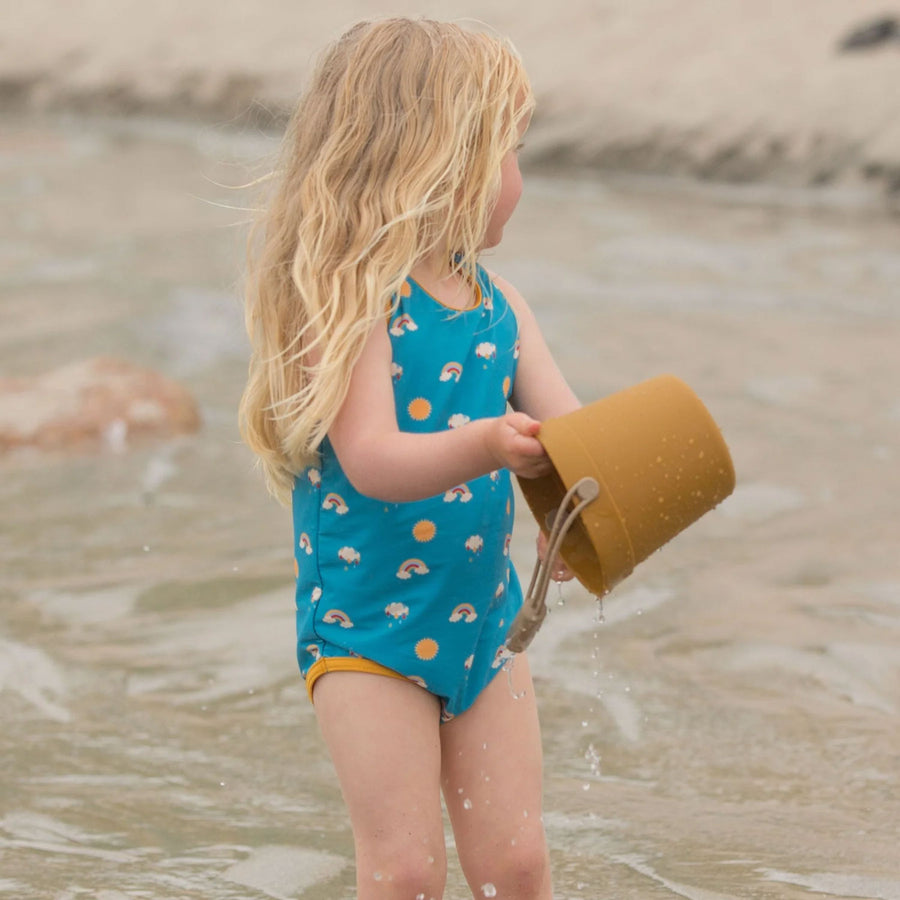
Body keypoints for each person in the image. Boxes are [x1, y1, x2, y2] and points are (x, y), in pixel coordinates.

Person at [239, 17, 579, 900]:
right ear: (441, 160)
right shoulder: (350, 303)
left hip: (485, 626)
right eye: (509, 153)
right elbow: (374, 459)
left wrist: (576, 517)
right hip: (368, 633)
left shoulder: (503, 308)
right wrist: (490, 445)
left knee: (518, 866)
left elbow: (578, 439)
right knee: (403, 874)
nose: (517, 181)